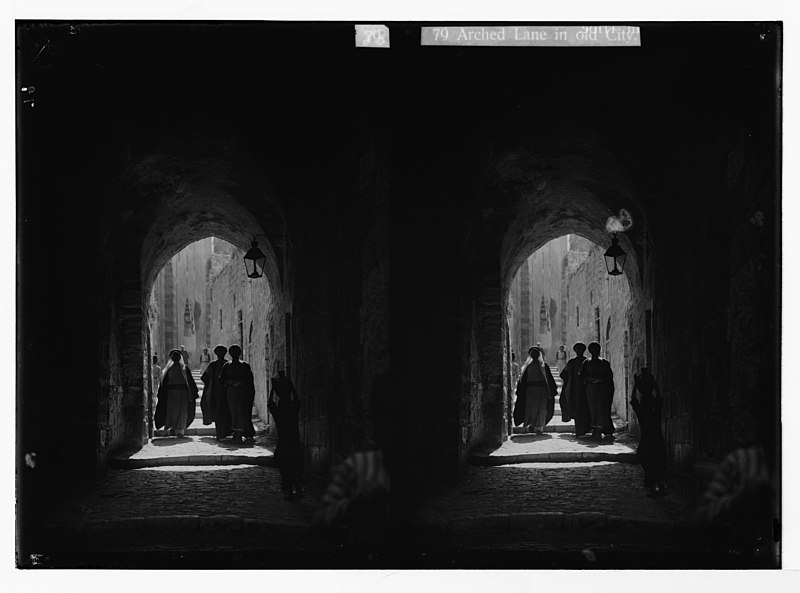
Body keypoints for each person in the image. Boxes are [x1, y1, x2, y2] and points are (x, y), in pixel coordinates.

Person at [630, 367, 667, 494]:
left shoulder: (641, 411)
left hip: (646, 440)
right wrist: (655, 383)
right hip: (657, 439)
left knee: (647, 461)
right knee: (658, 461)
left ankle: (652, 484)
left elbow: (633, 400)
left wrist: (635, 386)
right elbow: (659, 396)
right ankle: (658, 484)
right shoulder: (656, 408)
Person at [268, 369, 303, 498]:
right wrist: (291, 385)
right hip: (294, 442)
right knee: (296, 465)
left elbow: (270, 403)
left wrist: (273, 389)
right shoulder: (293, 411)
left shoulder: (279, 414)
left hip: (283, 443)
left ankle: (289, 489)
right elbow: (297, 400)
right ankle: (297, 487)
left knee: (285, 467)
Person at [154, 349, 199, 437]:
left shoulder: (185, 369)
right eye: (174, 357)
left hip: (183, 394)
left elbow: (190, 383)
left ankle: (180, 430)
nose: (175, 359)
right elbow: (164, 383)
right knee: (172, 411)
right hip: (171, 394)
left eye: (177, 357)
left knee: (182, 411)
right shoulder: (168, 370)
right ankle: (172, 428)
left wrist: (191, 394)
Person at [513, 346, 557, 434]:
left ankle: (539, 427)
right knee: (531, 408)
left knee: (541, 408)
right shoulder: (527, 367)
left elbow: (549, 380)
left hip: (542, 391)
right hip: (530, 391)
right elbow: (523, 381)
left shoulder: (544, 366)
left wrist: (550, 391)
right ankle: (531, 425)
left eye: (536, 354)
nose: (534, 356)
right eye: (533, 354)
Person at [219, 344, 256, 443]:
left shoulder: (245, 365)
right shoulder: (227, 365)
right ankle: (235, 433)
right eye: (233, 352)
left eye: (236, 352)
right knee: (232, 412)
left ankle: (240, 433)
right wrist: (229, 382)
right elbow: (221, 379)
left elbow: (249, 381)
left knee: (241, 412)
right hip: (231, 393)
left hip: (242, 393)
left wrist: (241, 383)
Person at [579, 341, 615, 440]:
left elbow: (609, 377)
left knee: (601, 409)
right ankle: (594, 428)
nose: (595, 351)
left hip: (602, 390)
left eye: (596, 349)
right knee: (592, 409)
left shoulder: (604, 363)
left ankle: (601, 429)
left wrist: (602, 380)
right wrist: (590, 379)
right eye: (592, 349)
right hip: (591, 390)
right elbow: (581, 375)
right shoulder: (586, 362)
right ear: (590, 351)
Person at [200, 345, 232, 440]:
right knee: (220, 411)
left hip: (222, 392)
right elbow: (204, 377)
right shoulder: (217, 364)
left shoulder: (219, 364)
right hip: (217, 392)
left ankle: (222, 432)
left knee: (222, 411)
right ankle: (221, 432)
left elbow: (204, 377)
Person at [559, 342, 591, 434]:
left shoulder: (587, 361)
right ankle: (579, 429)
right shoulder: (572, 362)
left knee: (585, 407)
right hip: (574, 388)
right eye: (577, 349)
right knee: (576, 407)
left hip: (585, 388)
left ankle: (584, 428)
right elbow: (563, 374)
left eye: (580, 349)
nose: (579, 351)